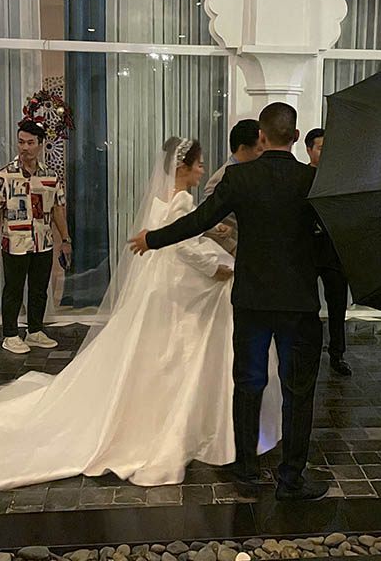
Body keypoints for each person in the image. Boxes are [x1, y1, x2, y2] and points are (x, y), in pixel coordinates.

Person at [0, 137, 281, 488]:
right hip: (177, 283)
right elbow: (184, 246)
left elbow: (170, 232)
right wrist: (218, 268)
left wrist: (209, 231)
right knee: (188, 340)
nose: (202, 170)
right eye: (199, 164)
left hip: (161, 280)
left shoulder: (162, 197)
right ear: (183, 167)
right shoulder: (183, 199)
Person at [131, 103, 328, 501]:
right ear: (295, 137)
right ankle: (291, 479)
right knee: (298, 391)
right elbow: (329, 236)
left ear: (262, 136)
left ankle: (247, 473)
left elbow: (199, 220)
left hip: (252, 298)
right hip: (299, 301)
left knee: (248, 384)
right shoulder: (313, 181)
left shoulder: (240, 177)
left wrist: (153, 238)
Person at [0, 119, 71, 354]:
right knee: (13, 289)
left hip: (43, 242)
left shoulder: (51, 176)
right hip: (15, 241)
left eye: (30, 143)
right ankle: (10, 334)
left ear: (40, 144)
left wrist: (65, 239)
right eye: (21, 142)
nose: (25, 148)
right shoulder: (4, 176)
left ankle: (35, 331)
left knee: (39, 288)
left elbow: (58, 209)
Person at [305, 128, 352, 376]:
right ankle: (308, 349)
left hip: (334, 252)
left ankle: (337, 353)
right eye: (321, 148)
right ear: (309, 149)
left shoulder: (337, 177)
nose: (326, 153)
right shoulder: (302, 177)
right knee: (307, 304)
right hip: (308, 251)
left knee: (337, 304)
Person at [203, 119, 264, 255]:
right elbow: (208, 222)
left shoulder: (254, 173)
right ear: (243, 148)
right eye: (259, 150)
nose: (262, 155)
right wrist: (233, 248)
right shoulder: (221, 178)